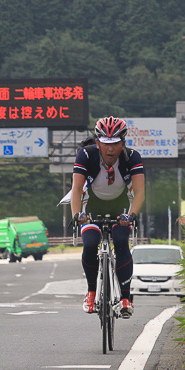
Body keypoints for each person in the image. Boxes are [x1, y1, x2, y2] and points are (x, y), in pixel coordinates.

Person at [70, 116, 145, 318]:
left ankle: (126, 298)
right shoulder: (86, 155)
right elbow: (76, 189)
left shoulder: (132, 157)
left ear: (123, 143)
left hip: (120, 206)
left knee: (121, 241)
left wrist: (131, 216)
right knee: (90, 242)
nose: (110, 149)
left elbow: (139, 193)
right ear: (97, 142)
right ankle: (92, 292)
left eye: (115, 144)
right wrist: (77, 215)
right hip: (91, 205)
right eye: (105, 144)